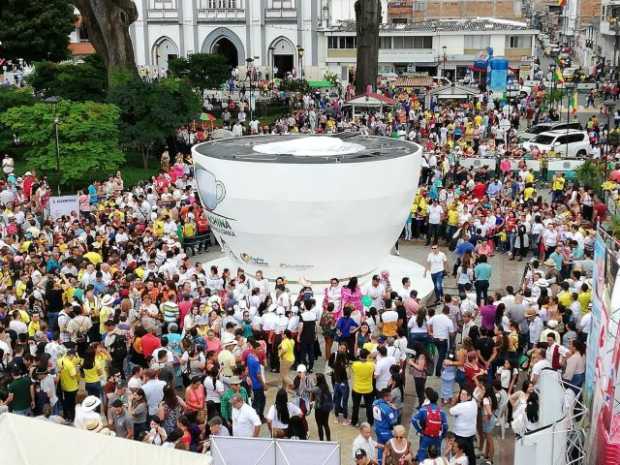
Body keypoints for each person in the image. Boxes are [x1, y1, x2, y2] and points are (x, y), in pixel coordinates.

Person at [411, 388, 448, 462]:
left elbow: (414, 420)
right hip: (437, 437)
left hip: (426, 436)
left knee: (422, 453)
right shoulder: (441, 411)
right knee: (436, 455)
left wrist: (420, 430)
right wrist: (442, 435)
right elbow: (445, 426)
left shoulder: (424, 409)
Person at [449, 388, 477, 465]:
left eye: (464, 394)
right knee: (470, 453)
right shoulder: (474, 402)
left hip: (461, 434)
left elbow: (451, 411)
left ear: (468, 397)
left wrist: (454, 400)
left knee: (459, 454)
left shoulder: (460, 406)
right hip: (471, 433)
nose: (461, 395)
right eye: (461, 393)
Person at [372, 388, 399, 463]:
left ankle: (380, 462)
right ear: (386, 397)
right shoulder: (388, 409)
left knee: (380, 448)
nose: (391, 397)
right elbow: (393, 421)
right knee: (390, 449)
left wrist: (388, 404)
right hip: (386, 432)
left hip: (377, 429)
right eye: (390, 395)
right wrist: (395, 410)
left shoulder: (375, 402)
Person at [351, 349, 375, 427]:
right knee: (369, 406)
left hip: (357, 388)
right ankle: (370, 421)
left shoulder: (355, 364)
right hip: (368, 388)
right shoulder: (371, 365)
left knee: (355, 406)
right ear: (367, 356)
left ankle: (354, 421)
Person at [313, 373, 333, 441]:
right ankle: (328, 440)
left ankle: (321, 441)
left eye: (315, 378)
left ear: (318, 380)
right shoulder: (326, 387)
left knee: (319, 425)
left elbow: (310, 396)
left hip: (319, 409)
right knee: (326, 424)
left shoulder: (316, 388)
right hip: (326, 408)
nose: (314, 379)